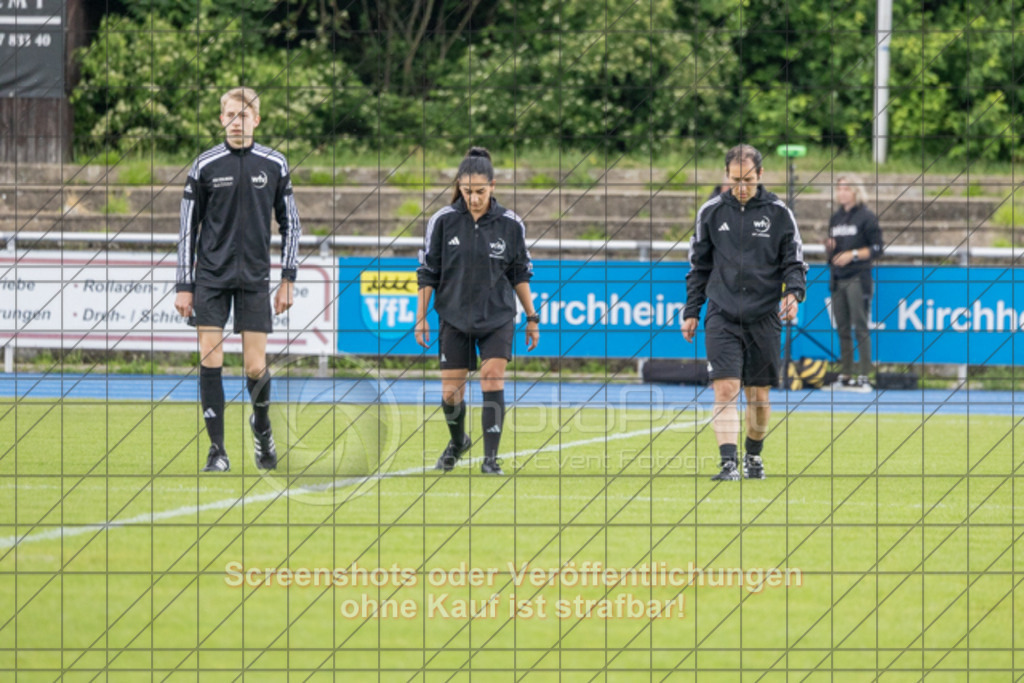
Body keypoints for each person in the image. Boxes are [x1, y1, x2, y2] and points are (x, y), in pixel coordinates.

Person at [174, 87, 302, 472]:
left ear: (256, 120)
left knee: (253, 367)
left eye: (242, 116)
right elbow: (186, 229)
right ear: (221, 119)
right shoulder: (204, 166)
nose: (235, 122)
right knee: (210, 358)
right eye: (228, 115)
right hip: (211, 277)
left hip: (254, 279)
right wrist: (184, 284)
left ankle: (261, 428)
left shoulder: (275, 163)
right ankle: (218, 451)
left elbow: (292, 223)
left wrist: (287, 278)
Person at [680, 144, 807, 481]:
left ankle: (753, 456)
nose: (741, 187)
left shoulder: (780, 213)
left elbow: (794, 262)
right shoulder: (710, 212)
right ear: (726, 176)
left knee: (759, 397)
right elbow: (699, 266)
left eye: (748, 180)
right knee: (725, 389)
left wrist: (793, 293)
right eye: (735, 180)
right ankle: (728, 463)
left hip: (764, 315)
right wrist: (692, 309)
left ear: (761, 175)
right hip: (722, 313)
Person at [415, 147, 540, 475]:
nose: (474, 199)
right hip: (453, 317)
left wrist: (532, 317)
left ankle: (490, 459)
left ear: (493, 187)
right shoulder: (442, 221)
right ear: (459, 186)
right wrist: (420, 318)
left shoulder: (511, 224)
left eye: (481, 192)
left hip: (497, 316)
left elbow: (520, 273)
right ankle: (458, 442)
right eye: (468, 192)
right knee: (451, 393)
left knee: (491, 376)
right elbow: (428, 272)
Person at [825, 175, 882, 392]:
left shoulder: (866, 217)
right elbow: (834, 248)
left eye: (846, 189)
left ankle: (865, 376)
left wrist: (853, 254)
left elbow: (878, 248)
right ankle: (846, 374)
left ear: (856, 191)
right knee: (842, 329)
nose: (842, 193)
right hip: (838, 277)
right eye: (839, 189)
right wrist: (830, 247)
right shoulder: (836, 218)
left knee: (860, 326)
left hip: (858, 276)